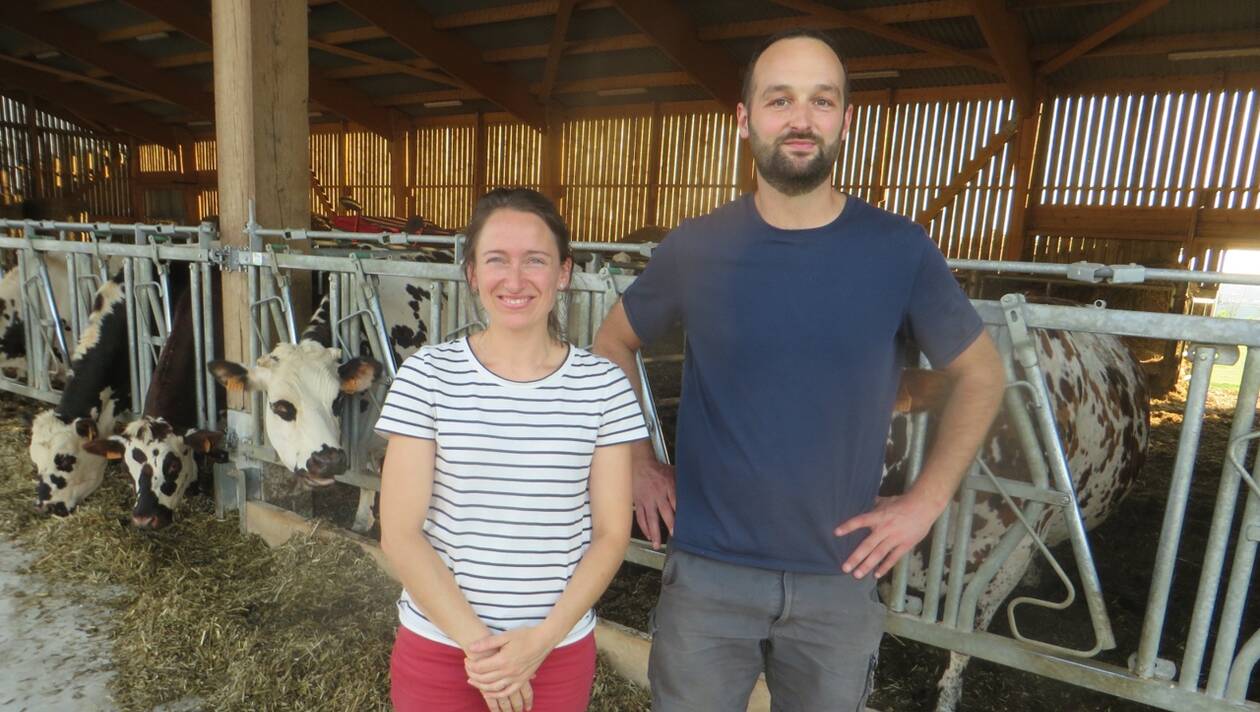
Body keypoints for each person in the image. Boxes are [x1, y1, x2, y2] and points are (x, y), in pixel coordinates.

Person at [592, 28, 1006, 711]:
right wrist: (636, 458)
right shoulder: (697, 247)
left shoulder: (898, 250)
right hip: (708, 574)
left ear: (845, 118)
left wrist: (926, 501)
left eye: (821, 100)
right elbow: (612, 342)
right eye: (780, 100)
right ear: (744, 117)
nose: (801, 119)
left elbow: (982, 375)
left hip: (837, 579)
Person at [377, 188, 648, 712]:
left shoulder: (604, 386)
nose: (516, 279)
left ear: (564, 273)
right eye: (496, 259)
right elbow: (400, 534)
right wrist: (489, 656)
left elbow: (612, 534)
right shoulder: (427, 377)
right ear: (473, 273)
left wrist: (538, 642)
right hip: (441, 648)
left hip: (556, 651)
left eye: (536, 261)